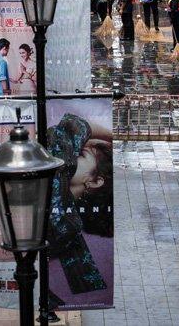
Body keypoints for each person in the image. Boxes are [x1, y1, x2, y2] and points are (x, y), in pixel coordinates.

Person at [46, 113, 113, 297]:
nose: (71, 154)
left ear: (95, 181)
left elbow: (70, 125)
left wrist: (109, 136)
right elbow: (71, 126)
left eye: (80, 154)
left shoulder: (65, 222)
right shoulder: (69, 220)